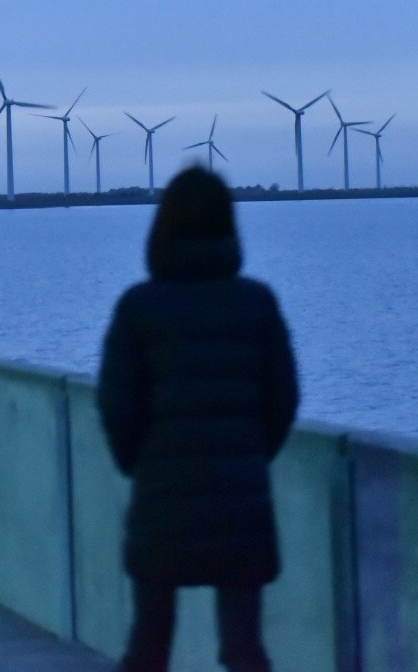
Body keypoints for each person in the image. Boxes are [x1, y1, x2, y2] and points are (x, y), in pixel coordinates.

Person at [96, 166, 299, 672]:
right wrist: (251, 454)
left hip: (163, 497)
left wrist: (140, 464)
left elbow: (116, 404)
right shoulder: (257, 303)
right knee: (244, 649)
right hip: (240, 500)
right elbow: (284, 399)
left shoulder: (139, 308)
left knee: (149, 645)